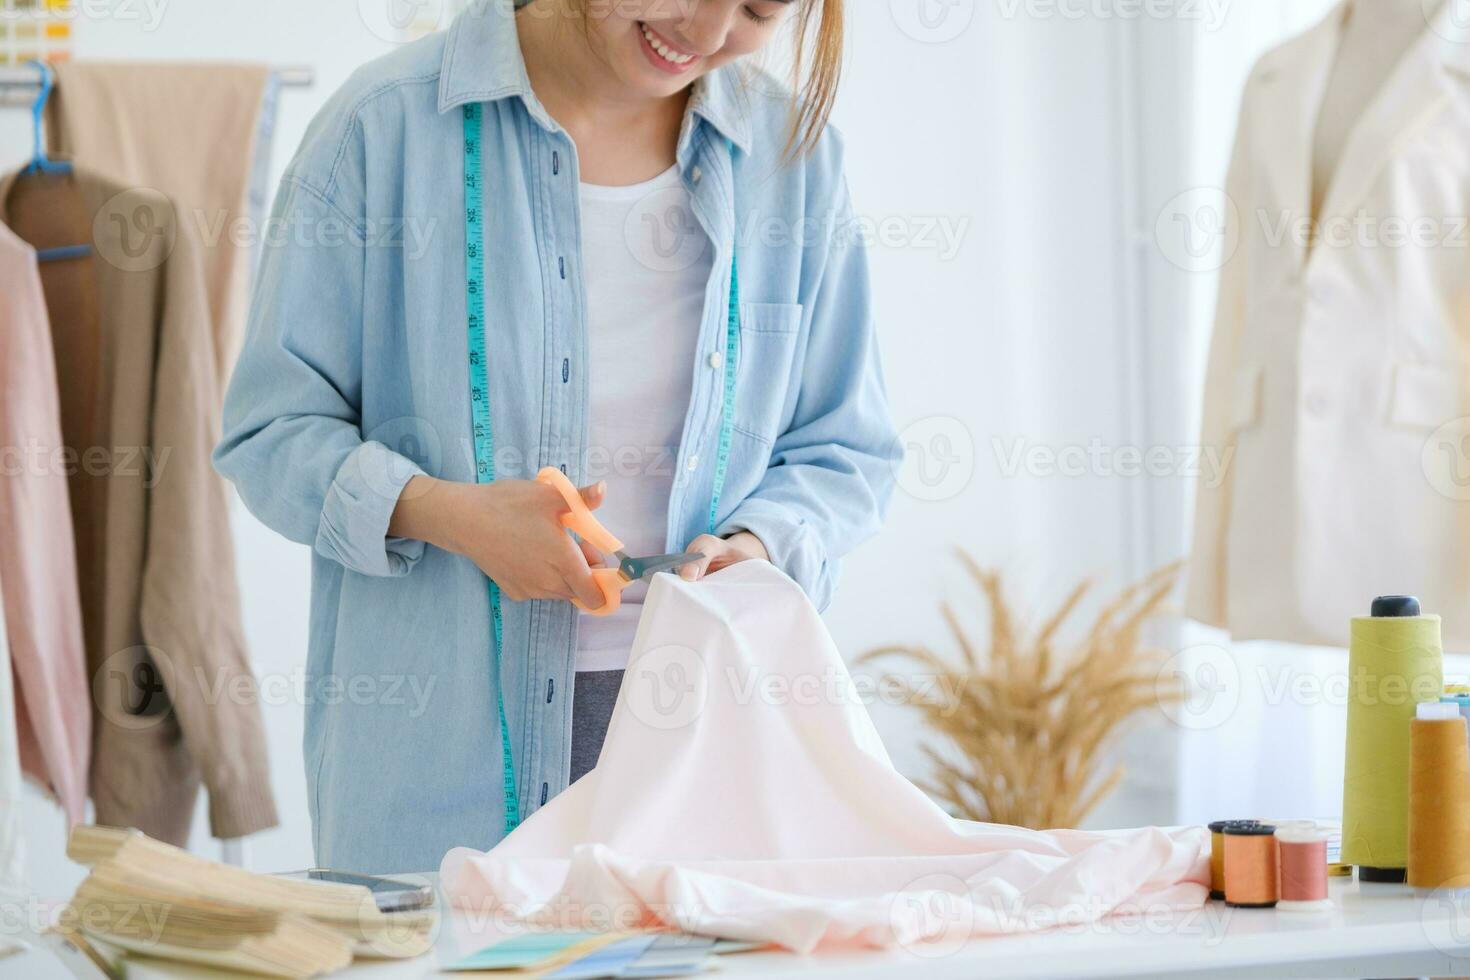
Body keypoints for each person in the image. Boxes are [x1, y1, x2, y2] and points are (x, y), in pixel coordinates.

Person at [216, 0, 898, 873]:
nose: (707, 30)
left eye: (759, 8)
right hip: (439, 765)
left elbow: (846, 447)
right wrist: (446, 513)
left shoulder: (793, 161)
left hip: (713, 755)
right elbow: (271, 430)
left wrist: (757, 544)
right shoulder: (379, 130)